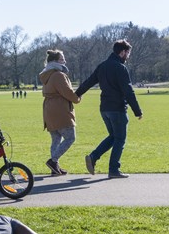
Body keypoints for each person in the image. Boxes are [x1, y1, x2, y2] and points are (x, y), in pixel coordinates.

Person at [75, 39, 143, 178]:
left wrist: (76, 95)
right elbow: (128, 91)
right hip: (117, 109)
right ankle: (113, 169)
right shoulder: (120, 68)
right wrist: (137, 111)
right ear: (122, 52)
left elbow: (88, 82)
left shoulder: (102, 66)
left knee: (113, 137)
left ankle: (94, 157)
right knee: (120, 139)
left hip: (104, 109)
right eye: (128, 53)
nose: (128, 56)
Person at [40, 49, 81, 175]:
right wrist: (78, 98)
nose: (65, 61)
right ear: (56, 61)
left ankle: (54, 167)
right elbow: (68, 93)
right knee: (70, 137)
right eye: (62, 59)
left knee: (56, 139)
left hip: (49, 110)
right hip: (60, 110)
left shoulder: (47, 74)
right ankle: (53, 161)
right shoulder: (58, 75)